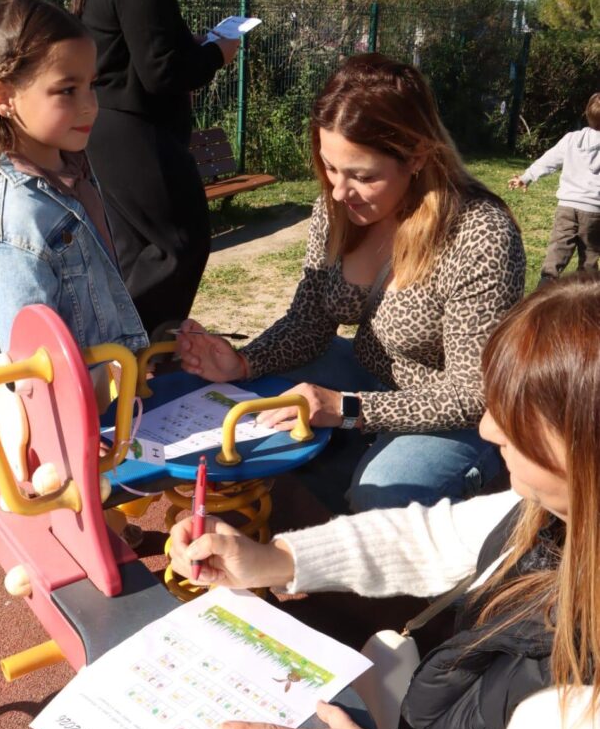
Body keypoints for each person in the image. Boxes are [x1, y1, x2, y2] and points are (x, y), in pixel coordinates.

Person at [166, 271, 600, 729]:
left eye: (516, 417)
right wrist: (272, 560)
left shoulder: (579, 727)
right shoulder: (552, 515)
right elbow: (435, 537)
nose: (487, 427)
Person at [178, 53, 526, 514]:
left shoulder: (480, 233)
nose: (340, 192)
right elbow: (308, 323)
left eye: (363, 176)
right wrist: (243, 363)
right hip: (364, 372)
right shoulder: (337, 206)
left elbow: (472, 394)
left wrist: (347, 409)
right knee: (250, 402)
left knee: (381, 492)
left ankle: (471, 498)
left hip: (456, 411)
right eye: (330, 167)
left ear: (417, 156)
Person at [0, 0, 148, 370]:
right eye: (67, 90)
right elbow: (31, 374)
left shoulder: (74, 173)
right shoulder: (15, 216)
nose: (90, 105)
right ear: (3, 98)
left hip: (114, 391)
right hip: (76, 405)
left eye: (91, 85)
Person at [71, 0, 239, 340]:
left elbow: (140, 53)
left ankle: (122, 351)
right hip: (138, 132)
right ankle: (139, 347)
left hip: (109, 130)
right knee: (179, 243)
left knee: (136, 251)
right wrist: (217, 54)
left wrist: (190, 47)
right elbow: (162, 72)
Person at [509, 92, 600, 282]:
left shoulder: (572, 139)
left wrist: (526, 177)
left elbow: (548, 160)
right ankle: (587, 295)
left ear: (586, 113)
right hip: (594, 211)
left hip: (566, 207)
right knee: (589, 259)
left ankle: (545, 289)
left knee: (556, 253)